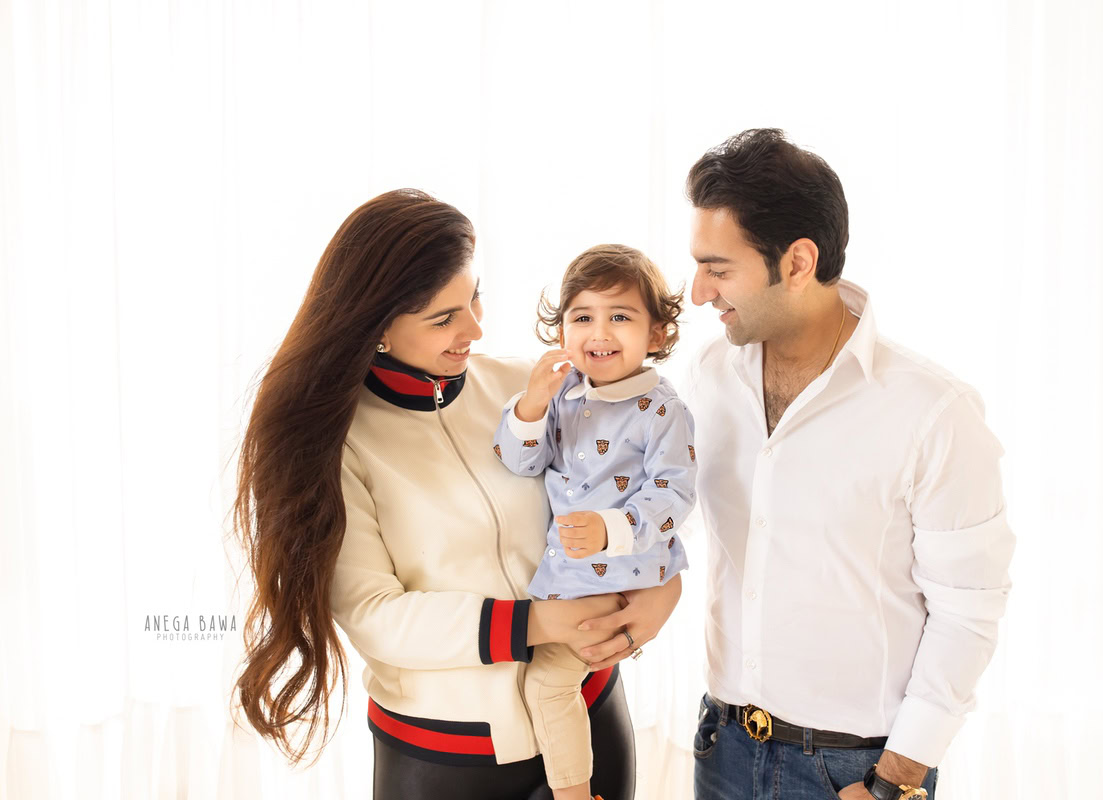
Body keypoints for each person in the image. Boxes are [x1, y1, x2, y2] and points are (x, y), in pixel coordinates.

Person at [230, 189, 682, 800]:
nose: (474, 328)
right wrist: (534, 623)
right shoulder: (336, 448)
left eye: (474, 298)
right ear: (378, 326)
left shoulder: (532, 390)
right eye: (444, 318)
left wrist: (657, 601)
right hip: (449, 760)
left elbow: (643, 488)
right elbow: (374, 614)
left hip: (589, 713)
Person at [684, 129, 1016, 800]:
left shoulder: (935, 412)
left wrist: (894, 781)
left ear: (798, 261)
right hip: (721, 749)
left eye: (718, 269)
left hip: (854, 775)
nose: (697, 292)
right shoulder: (712, 375)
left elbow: (969, 612)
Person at [493, 244, 695, 800]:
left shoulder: (661, 409)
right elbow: (520, 460)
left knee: (548, 684)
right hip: (571, 578)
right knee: (543, 679)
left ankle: (575, 794)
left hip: (618, 574)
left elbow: (674, 491)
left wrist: (614, 529)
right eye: (582, 317)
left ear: (656, 334)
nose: (598, 332)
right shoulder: (562, 395)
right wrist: (531, 404)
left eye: (620, 317)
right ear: (562, 330)